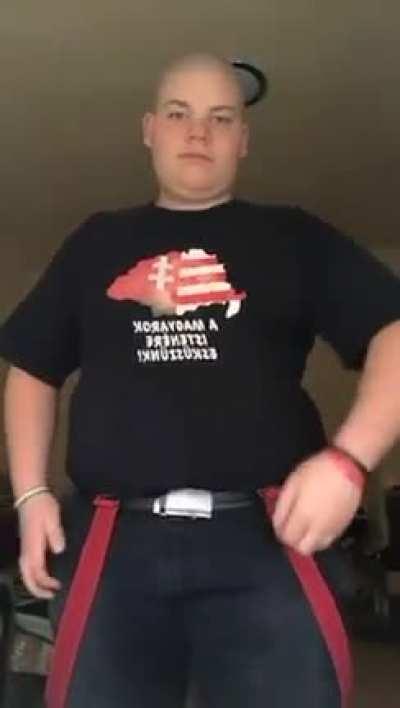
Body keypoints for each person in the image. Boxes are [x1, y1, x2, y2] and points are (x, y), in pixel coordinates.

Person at [2, 52, 400, 708]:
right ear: (149, 129)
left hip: (271, 540)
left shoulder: (292, 235)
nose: (198, 132)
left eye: (220, 118)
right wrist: (30, 493)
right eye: (179, 114)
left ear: (243, 139)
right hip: (113, 542)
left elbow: (393, 330)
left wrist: (349, 462)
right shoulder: (97, 241)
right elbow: (31, 366)